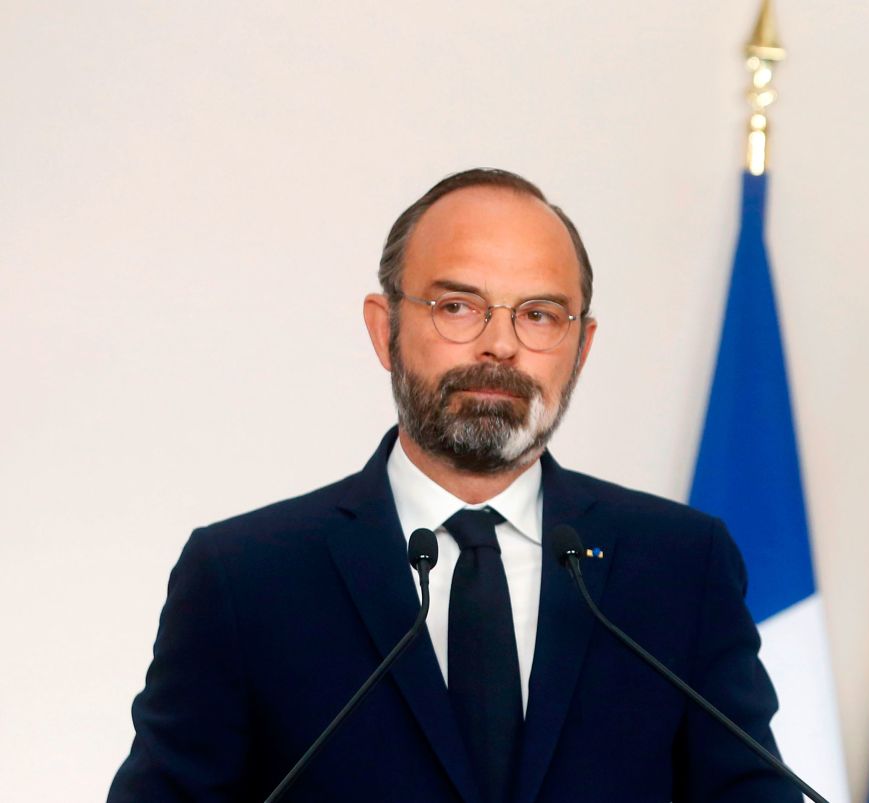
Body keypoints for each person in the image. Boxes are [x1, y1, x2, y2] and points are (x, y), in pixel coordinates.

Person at [108, 168, 797, 802]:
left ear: (580, 347)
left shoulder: (680, 566)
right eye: (460, 307)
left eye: (538, 314)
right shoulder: (246, 576)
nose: (500, 345)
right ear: (387, 330)